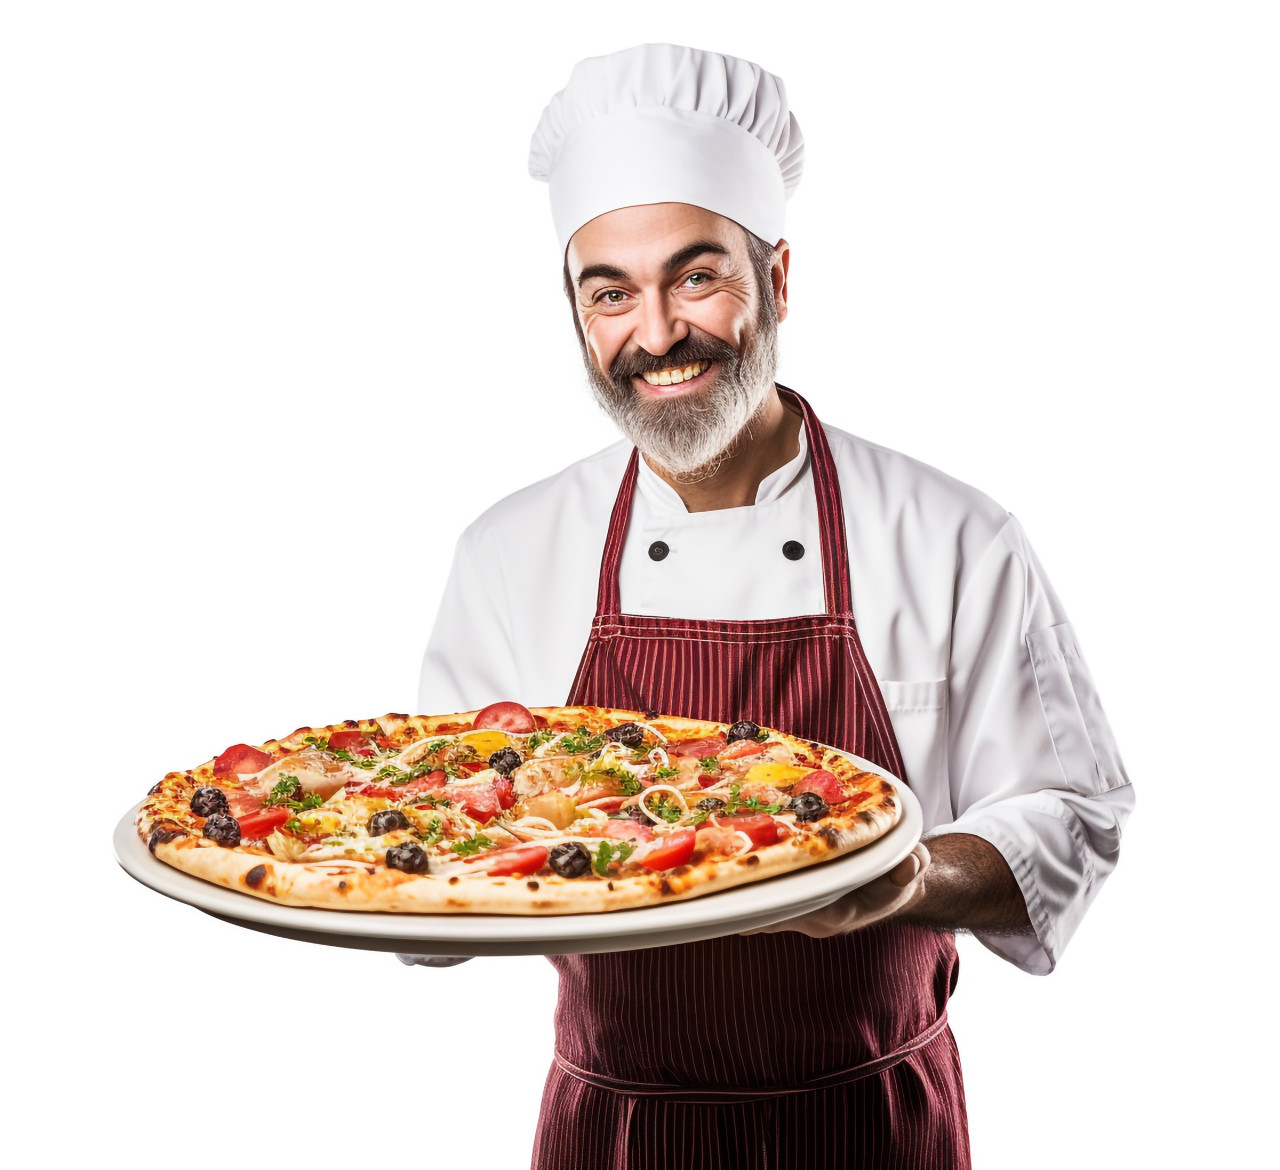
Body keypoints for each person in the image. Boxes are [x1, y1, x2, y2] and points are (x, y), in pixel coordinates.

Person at [407, 44, 1133, 1169]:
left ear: (778, 278)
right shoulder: (509, 553)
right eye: (610, 292)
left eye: (696, 276)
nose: (653, 334)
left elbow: (1071, 809)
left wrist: (901, 882)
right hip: (612, 1133)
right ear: (575, 309)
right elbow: (428, 849)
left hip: (870, 1123)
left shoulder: (947, 534)